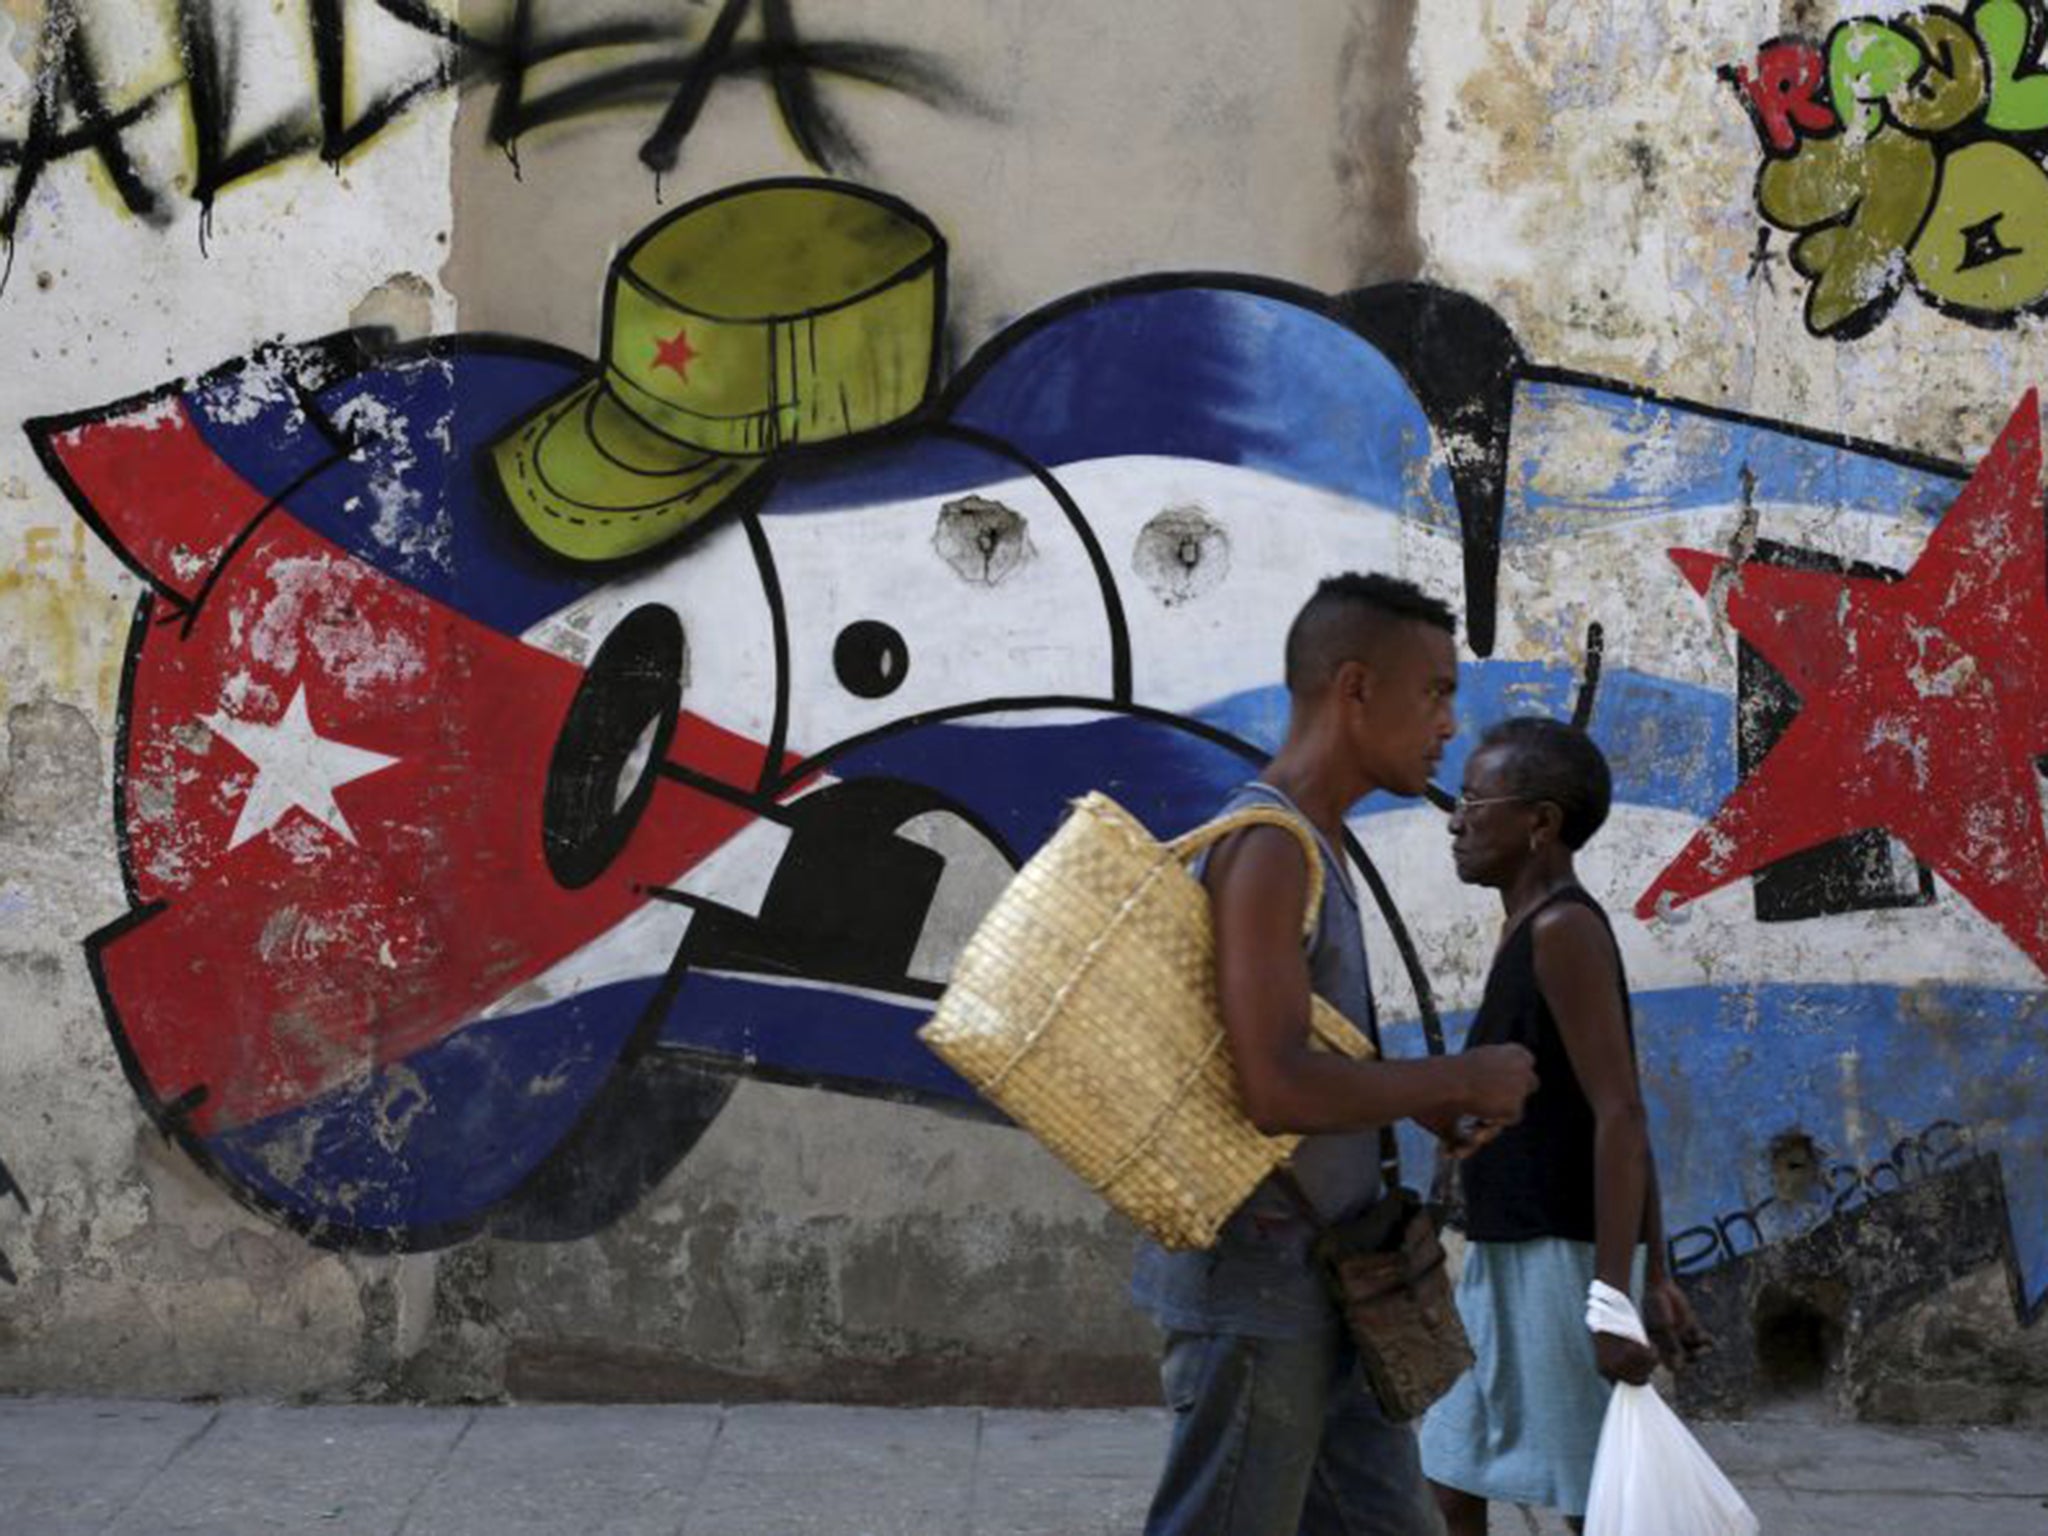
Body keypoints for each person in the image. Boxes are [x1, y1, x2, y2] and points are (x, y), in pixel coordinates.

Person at [1133, 572, 1540, 1536]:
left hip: (1331, 1284)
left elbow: (1310, 1052)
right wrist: (1457, 1078)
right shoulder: (1270, 846)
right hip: (1260, 1296)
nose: (1451, 723)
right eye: (1435, 691)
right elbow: (1271, 1084)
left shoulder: (1313, 839)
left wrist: (1418, 1102)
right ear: (1355, 688)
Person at [1420, 717, 1710, 1534]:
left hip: (1559, 1257)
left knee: (1590, 1493)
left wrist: (1618, 1296)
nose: (1456, 818)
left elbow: (1619, 1112)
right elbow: (1607, 1104)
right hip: (1506, 1248)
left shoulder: (1563, 930)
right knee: (1451, 1465)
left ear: (1539, 823)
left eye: (1476, 801)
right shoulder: (1530, 924)